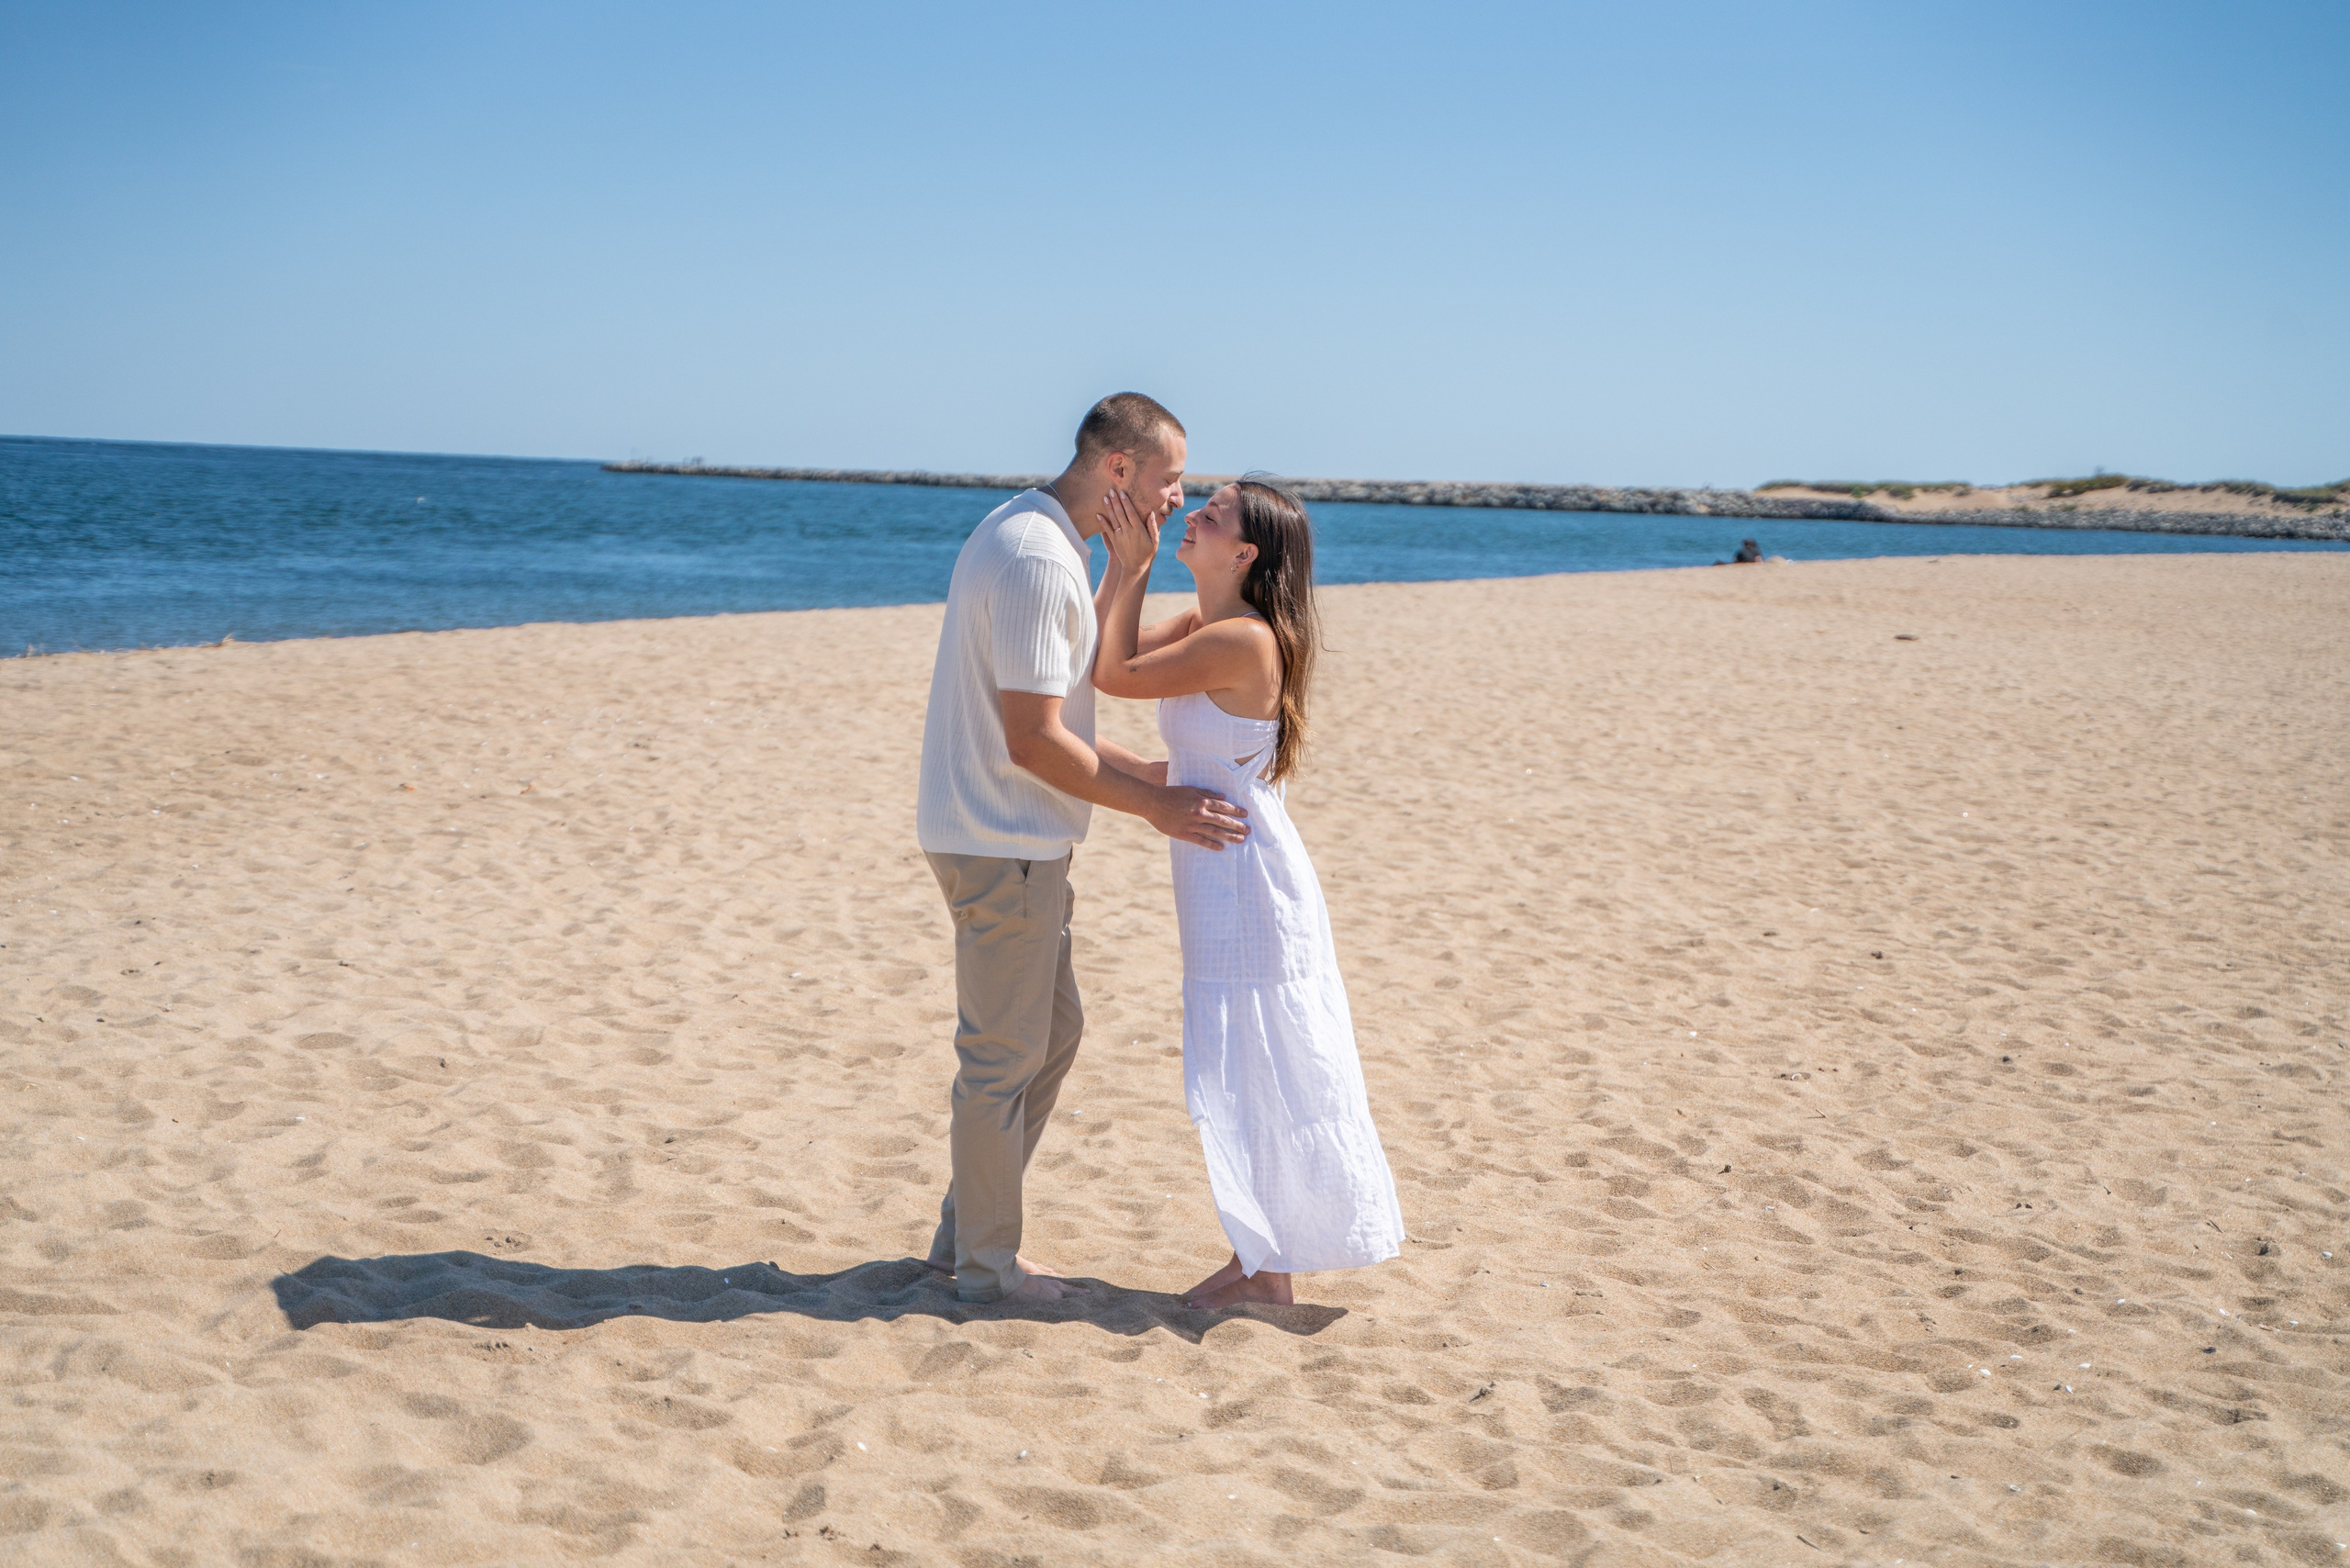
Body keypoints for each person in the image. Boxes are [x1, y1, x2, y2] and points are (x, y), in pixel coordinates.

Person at [914, 393, 1250, 1306]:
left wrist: (1145, 767)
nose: (1179, 497)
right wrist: (1154, 805)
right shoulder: (1033, 560)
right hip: (1002, 842)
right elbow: (1031, 740)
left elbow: (1059, 710)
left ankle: (961, 1241)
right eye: (1169, 479)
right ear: (1117, 471)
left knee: (1049, 1035)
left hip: (1014, 839)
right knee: (998, 1064)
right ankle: (980, 1267)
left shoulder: (1040, 536)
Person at [1091, 476, 1404, 1309]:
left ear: (1244, 552)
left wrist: (1131, 563)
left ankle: (1267, 1271)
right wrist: (1082, 760)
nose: (1193, 511)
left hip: (1248, 877)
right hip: (1221, 864)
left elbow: (1118, 675)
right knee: (1244, 1063)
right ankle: (1261, 1261)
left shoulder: (1246, 642)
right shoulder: (1207, 624)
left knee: (1258, 1062)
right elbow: (1100, 663)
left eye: (1213, 512)